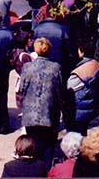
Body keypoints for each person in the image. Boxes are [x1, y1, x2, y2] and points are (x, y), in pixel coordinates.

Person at [20, 37, 63, 169]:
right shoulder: (56, 68)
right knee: (49, 146)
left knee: (33, 145)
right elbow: (60, 89)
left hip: (30, 114)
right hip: (49, 113)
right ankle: (47, 171)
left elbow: (22, 88)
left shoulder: (27, 67)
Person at [65, 39, 99, 134]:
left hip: (78, 109)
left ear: (81, 52)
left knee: (76, 134)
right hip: (90, 106)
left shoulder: (80, 71)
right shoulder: (97, 65)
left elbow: (68, 87)